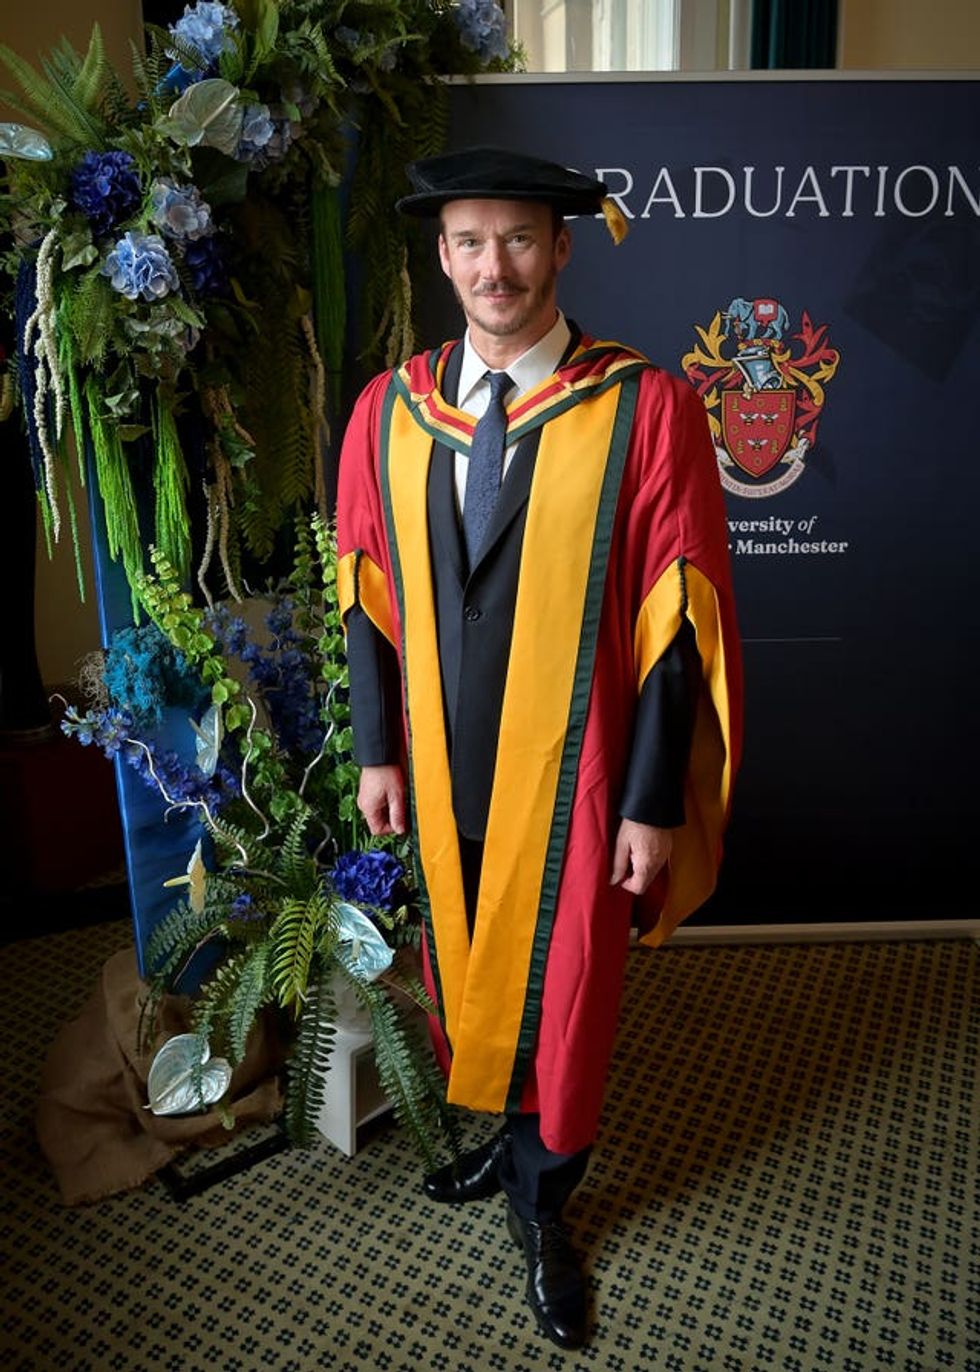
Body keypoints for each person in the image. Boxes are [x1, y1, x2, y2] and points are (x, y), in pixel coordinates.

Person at [336, 147, 742, 1350]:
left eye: (517, 239)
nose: (492, 267)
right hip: (440, 762)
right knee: (467, 959)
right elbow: (366, 593)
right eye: (468, 242)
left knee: (565, 990)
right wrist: (376, 751)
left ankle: (543, 1197)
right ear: (441, 255)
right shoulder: (391, 410)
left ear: (561, 247)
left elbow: (676, 622)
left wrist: (650, 800)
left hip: (579, 774)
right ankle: (508, 1145)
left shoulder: (643, 409)